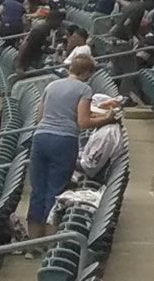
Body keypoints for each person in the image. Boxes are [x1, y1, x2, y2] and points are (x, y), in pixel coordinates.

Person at [26, 53, 118, 236]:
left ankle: (32, 239)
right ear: (85, 73)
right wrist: (106, 119)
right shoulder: (84, 90)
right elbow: (83, 122)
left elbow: (39, 117)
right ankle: (49, 239)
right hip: (64, 141)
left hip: (41, 138)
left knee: (38, 189)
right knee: (56, 190)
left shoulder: (51, 86)